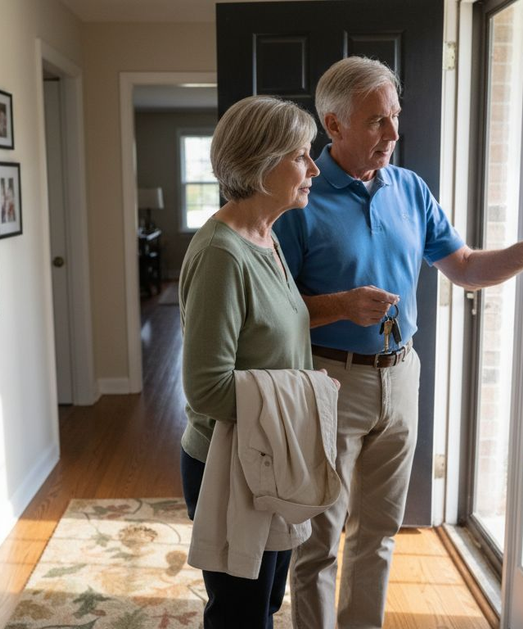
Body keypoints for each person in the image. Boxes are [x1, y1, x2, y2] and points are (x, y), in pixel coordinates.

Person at [273, 57, 523, 628]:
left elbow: (466, 267)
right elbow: (275, 311)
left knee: (379, 533)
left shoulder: (410, 188)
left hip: (402, 375)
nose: (393, 135)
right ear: (334, 124)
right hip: (326, 381)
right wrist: (343, 306)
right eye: (377, 121)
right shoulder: (299, 199)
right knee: (319, 538)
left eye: (395, 118)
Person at [178, 95, 320, 629]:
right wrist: (303, 398)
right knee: (239, 616)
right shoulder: (222, 253)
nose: (313, 168)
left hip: (267, 455)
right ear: (260, 164)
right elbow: (206, 389)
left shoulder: (267, 237)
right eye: (301, 155)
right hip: (229, 465)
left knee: (264, 605)